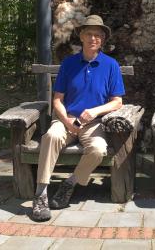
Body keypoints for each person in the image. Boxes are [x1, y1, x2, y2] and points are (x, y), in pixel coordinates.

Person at [32, 15, 125, 221]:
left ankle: (70, 183)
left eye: (98, 35)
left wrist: (96, 111)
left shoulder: (111, 65)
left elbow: (117, 102)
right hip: (67, 119)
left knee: (99, 149)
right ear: (81, 37)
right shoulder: (69, 64)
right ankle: (40, 194)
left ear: (102, 40)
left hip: (94, 124)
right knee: (51, 136)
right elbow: (57, 100)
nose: (93, 38)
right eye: (89, 34)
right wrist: (66, 121)